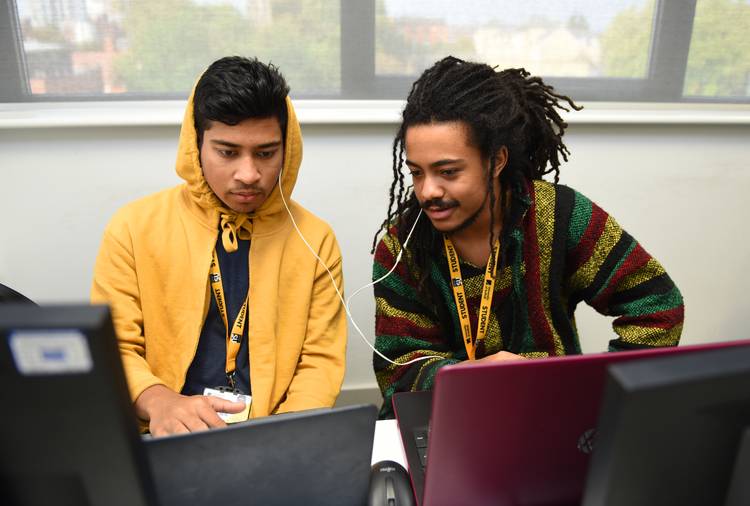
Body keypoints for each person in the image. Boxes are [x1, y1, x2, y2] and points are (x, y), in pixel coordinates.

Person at [371, 56, 684, 418]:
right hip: (449, 417)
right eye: (416, 172)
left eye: (448, 172)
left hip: (550, 411)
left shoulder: (560, 217)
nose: (428, 191)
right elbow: (399, 369)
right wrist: (470, 377)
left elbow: (659, 306)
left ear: (497, 161)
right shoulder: (402, 247)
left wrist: (599, 393)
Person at [92, 56, 347, 435]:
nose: (249, 174)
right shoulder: (133, 228)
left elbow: (320, 364)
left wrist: (283, 437)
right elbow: (114, 348)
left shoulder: (316, 239)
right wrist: (160, 401)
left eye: (265, 153)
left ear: (286, 150)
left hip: (273, 432)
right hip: (164, 430)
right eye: (227, 152)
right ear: (196, 146)